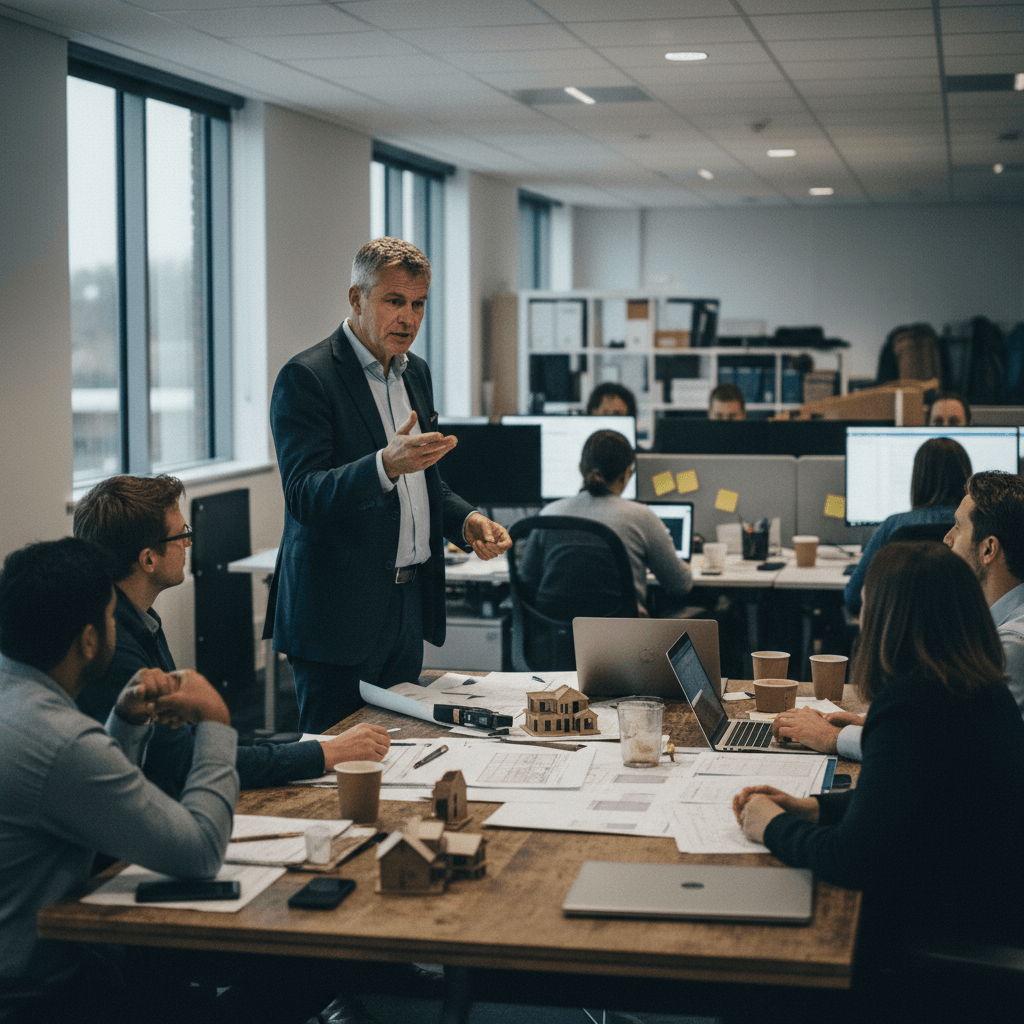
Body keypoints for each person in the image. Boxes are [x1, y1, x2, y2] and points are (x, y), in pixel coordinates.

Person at [735, 542, 1024, 978]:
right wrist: (815, 808)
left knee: (763, 960)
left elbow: (853, 859)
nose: (859, 623)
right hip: (985, 901)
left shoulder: (912, 705)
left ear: (892, 624)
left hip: (940, 943)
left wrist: (772, 825)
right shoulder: (979, 691)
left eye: (867, 610)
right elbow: (913, 802)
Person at [267, 237, 511, 733]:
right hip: (337, 617)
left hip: (405, 608)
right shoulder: (307, 377)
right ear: (357, 300)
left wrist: (467, 519)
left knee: (404, 754)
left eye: (418, 304)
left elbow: (422, 481)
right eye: (394, 301)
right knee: (337, 766)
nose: (408, 318)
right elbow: (303, 495)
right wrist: (383, 465)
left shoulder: (414, 373)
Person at [0, 537, 237, 1012]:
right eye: (110, 617)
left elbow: (93, 807)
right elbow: (200, 851)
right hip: (41, 993)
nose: (115, 628)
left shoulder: (19, 703)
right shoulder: (61, 740)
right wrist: (215, 722)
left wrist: (126, 723)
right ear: (89, 640)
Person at [73, 474, 392, 796]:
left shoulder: (138, 619)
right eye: (182, 534)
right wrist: (325, 753)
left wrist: (314, 745)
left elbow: (196, 744)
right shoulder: (113, 649)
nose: (189, 542)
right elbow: (187, 761)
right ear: (148, 559)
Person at [776, 469, 1024, 758]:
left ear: (988, 549)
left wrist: (834, 737)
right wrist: (874, 724)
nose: (946, 538)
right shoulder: (994, 626)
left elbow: (953, 748)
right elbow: (950, 723)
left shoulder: (1011, 645)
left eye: (958, 527)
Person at [522, 429, 694, 616]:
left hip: (556, 637)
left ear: (581, 469)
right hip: (618, 639)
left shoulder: (549, 515)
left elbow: (527, 582)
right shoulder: (642, 517)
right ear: (628, 473)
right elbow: (681, 586)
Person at [843, 435, 970, 611]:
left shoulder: (894, 526)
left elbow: (852, 596)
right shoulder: (977, 526)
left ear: (918, 479)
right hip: (964, 634)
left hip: (898, 635)